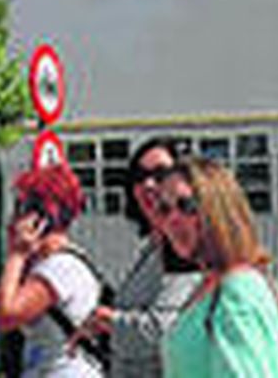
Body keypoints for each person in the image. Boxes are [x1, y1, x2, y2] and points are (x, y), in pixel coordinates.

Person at [157, 157, 278, 377]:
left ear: (217, 208)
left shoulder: (237, 291)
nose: (172, 219)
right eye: (164, 209)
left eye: (186, 206)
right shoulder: (211, 285)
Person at [82, 136, 203, 376]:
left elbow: (161, 331)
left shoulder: (184, 252)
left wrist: (107, 320)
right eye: (139, 176)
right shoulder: (154, 248)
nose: (147, 185)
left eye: (160, 174)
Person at [0, 163, 106, 377]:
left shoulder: (59, 267)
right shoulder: (51, 263)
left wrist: (17, 254)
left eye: (21, 208)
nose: (14, 219)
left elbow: (6, 315)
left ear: (39, 218)